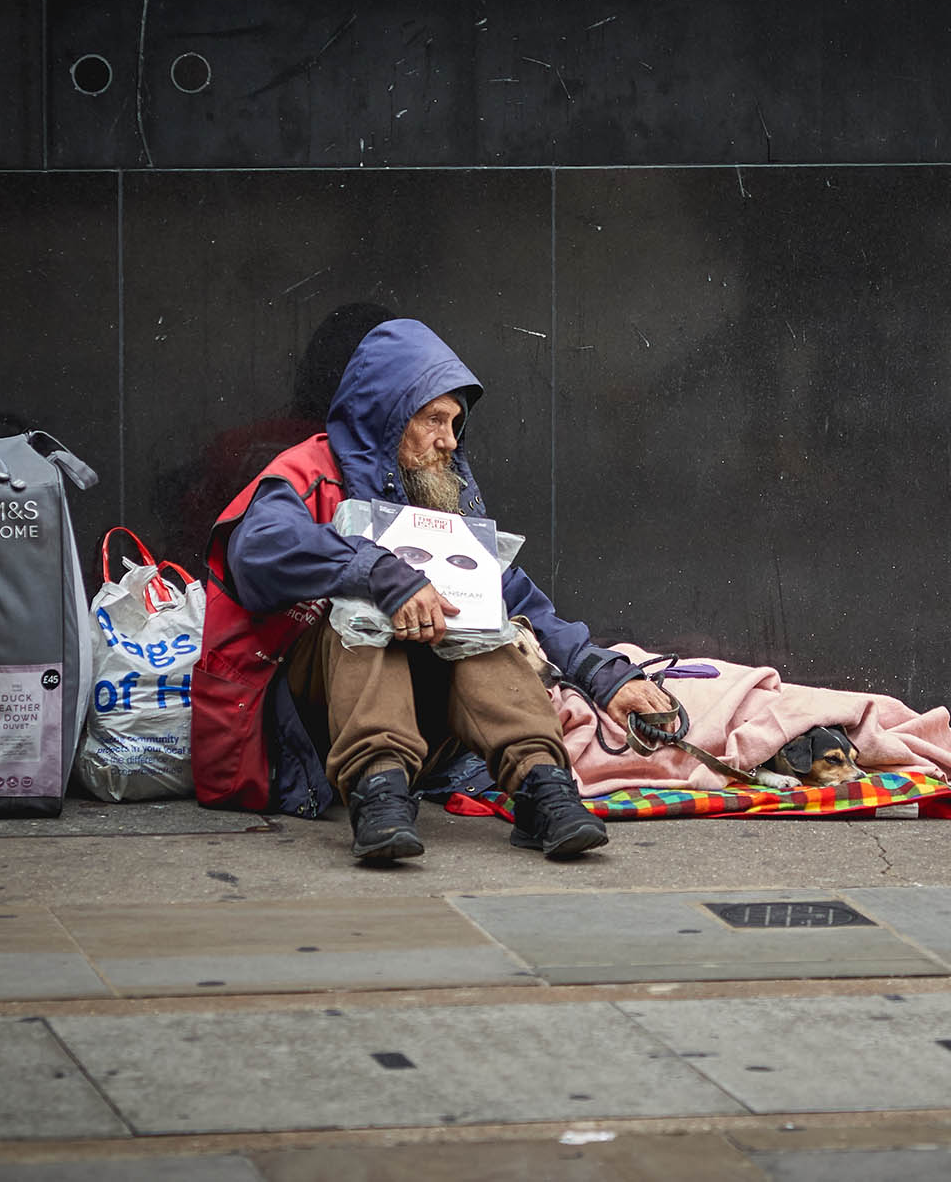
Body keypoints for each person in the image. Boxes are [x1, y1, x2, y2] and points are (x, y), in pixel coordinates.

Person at [190, 319, 677, 861]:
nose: (449, 439)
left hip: (420, 730)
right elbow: (259, 550)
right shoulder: (307, 471)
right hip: (305, 726)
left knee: (479, 617)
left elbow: (509, 590)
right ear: (388, 417)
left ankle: (543, 787)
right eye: (433, 420)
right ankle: (377, 794)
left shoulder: (436, 490)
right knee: (368, 610)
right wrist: (383, 576)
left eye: (455, 423)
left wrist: (604, 678)